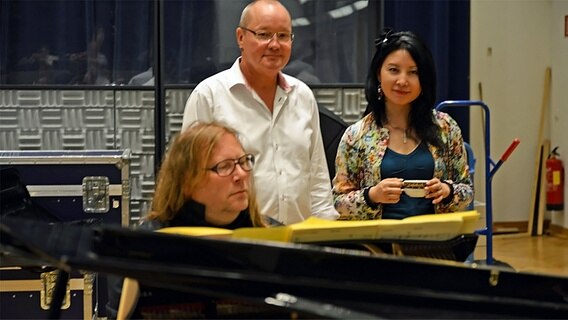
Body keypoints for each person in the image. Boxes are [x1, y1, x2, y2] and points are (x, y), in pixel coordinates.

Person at [181, 0, 338, 225]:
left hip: (298, 243)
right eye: (264, 34)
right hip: (237, 242)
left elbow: (318, 179)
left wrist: (326, 234)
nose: (274, 44)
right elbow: (191, 179)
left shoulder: (302, 96)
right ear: (240, 37)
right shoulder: (210, 96)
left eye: (283, 36)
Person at [106, 121, 272, 318]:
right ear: (186, 182)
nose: (241, 174)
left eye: (244, 162)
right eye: (225, 166)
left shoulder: (276, 240)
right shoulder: (138, 252)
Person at [332, 29, 473, 220]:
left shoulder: (446, 127)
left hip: (437, 242)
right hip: (376, 246)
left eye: (413, 72)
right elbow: (338, 203)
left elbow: (467, 191)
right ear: (379, 75)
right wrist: (372, 196)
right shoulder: (355, 136)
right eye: (393, 70)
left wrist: (447, 191)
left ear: (424, 80)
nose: (402, 81)